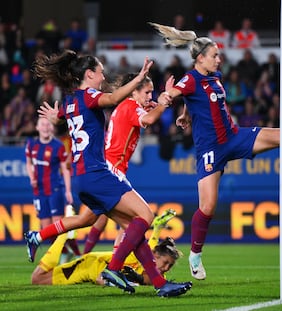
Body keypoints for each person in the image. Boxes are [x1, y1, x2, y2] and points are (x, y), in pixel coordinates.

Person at [148, 22, 282, 281]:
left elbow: (195, 101)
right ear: (201, 58)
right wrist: (165, 98)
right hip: (210, 149)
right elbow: (173, 93)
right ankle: (195, 254)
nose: (219, 59)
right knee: (208, 206)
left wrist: (186, 114)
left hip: (235, 136)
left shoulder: (214, 77)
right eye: (215, 55)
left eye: (218, 55)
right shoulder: (190, 78)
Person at [23, 50, 192, 297]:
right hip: (99, 172)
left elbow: (65, 115)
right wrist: (140, 78)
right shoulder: (92, 96)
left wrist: (55, 117)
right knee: (145, 215)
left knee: (125, 227)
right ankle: (112, 268)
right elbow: (112, 99)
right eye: (100, 72)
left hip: (84, 177)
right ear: (89, 74)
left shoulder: (71, 100)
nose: (103, 77)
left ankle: (160, 284)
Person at [83, 73, 175, 254]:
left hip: (108, 168)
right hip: (112, 170)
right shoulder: (131, 106)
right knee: (141, 217)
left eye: (152, 93)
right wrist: (163, 102)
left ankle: (39, 236)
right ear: (134, 92)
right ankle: (114, 266)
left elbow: (148, 111)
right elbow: (148, 119)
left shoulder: (126, 105)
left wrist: (160, 101)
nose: (150, 96)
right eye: (147, 92)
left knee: (89, 219)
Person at [31, 209, 180, 287]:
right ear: (155, 255)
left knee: (38, 278)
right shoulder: (142, 254)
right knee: (37, 279)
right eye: (166, 262)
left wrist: (157, 229)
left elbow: (149, 280)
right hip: (88, 266)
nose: (166, 268)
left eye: (170, 265)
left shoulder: (157, 273)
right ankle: (63, 235)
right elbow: (100, 279)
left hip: (94, 268)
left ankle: (65, 234)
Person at [25, 117, 81, 260]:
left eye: (47, 124)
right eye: (42, 124)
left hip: (55, 189)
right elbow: (29, 163)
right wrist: (32, 177)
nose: (45, 127)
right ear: (37, 127)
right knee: (45, 229)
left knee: (58, 225)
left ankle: (75, 254)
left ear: (51, 127)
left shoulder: (58, 146)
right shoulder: (31, 145)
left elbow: (66, 169)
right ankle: (65, 252)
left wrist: (68, 191)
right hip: (39, 191)